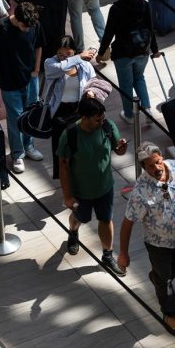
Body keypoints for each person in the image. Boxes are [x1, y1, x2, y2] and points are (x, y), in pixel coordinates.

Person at [118, 143, 175, 333]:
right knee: (165, 279)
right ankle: (169, 313)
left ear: (161, 156)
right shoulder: (140, 192)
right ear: (144, 168)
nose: (157, 168)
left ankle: (157, 277)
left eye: (158, 162)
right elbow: (127, 222)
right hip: (159, 244)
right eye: (151, 166)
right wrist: (123, 254)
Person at [57, 97, 128, 276]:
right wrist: (67, 196)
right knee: (81, 217)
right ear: (84, 117)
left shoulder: (107, 126)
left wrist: (122, 147)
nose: (101, 121)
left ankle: (107, 255)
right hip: (81, 191)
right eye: (97, 118)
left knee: (106, 219)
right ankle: (73, 231)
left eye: (102, 117)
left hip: (105, 187)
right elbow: (63, 166)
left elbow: (118, 150)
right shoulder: (70, 135)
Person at [0, 2, 45, 174]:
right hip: (9, 80)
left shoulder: (34, 24)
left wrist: (37, 69)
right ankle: (18, 154)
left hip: (31, 78)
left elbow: (39, 45)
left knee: (30, 114)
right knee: (15, 117)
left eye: (30, 26)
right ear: (16, 19)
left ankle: (29, 145)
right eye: (24, 25)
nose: (27, 29)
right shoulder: (0, 28)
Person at [97, 0, 158, 123]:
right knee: (139, 78)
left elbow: (109, 33)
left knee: (126, 85)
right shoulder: (144, 5)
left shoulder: (116, 8)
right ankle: (147, 110)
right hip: (142, 50)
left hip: (123, 53)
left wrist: (101, 53)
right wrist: (155, 50)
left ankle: (130, 115)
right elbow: (151, 29)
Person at [44, 35, 97, 179]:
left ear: (74, 51)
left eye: (68, 53)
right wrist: (78, 57)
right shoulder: (51, 63)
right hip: (59, 113)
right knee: (61, 151)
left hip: (79, 111)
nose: (64, 57)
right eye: (60, 54)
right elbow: (62, 67)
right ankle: (65, 180)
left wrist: (92, 92)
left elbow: (94, 83)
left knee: (79, 148)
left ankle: (79, 177)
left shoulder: (84, 65)